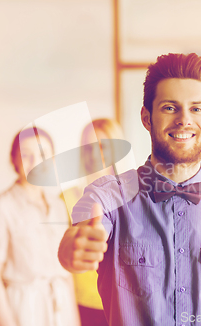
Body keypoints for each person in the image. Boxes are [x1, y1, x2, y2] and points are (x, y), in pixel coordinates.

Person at [58, 53, 201, 326]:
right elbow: (76, 241)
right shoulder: (107, 197)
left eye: (196, 109)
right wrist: (73, 249)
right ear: (146, 118)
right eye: (170, 107)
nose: (184, 119)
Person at [0, 127, 80, 326]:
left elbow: (66, 270)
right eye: (26, 155)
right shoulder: (1, 207)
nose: (35, 162)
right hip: (23, 309)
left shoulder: (58, 206)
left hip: (61, 308)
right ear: (14, 160)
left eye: (43, 154)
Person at [61, 119, 124, 326]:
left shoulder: (132, 198)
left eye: (102, 146)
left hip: (124, 304)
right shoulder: (67, 199)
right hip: (83, 305)